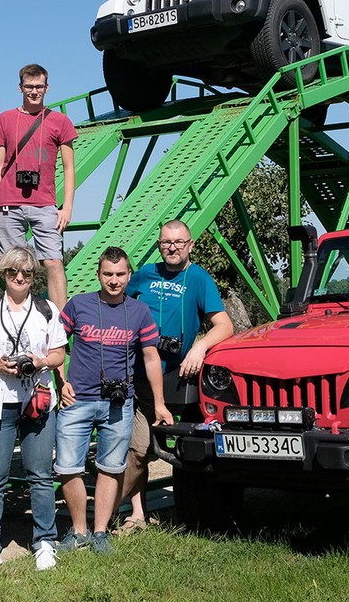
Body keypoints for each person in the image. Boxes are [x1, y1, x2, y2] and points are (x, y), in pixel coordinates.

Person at [55, 247, 172, 556]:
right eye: (108, 274)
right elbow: (54, 344)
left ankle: (100, 532)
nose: (114, 280)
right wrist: (60, 383)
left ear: (129, 275)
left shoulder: (139, 311)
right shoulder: (78, 305)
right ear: (99, 274)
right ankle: (78, 530)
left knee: (111, 467)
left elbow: (150, 357)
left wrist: (159, 403)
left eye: (120, 274)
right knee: (68, 467)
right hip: (77, 400)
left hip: (119, 404)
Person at [119, 220, 233, 531]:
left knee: (178, 448)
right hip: (136, 375)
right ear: (159, 244)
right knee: (137, 450)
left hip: (176, 378)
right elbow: (117, 299)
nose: (172, 247)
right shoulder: (144, 273)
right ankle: (137, 514)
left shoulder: (198, 279)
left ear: (190, 245)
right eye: (166, 242)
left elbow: (224, 325)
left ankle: (194, 507)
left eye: (179, 242)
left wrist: (200, 347)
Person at [0, 246, 66, 571]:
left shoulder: (47, 309)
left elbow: (58, 354)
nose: (19, 278)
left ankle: (45, 542)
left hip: (36, 400)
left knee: (40, 475)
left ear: (34, 276)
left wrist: (39, 361)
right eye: (12, 272)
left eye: (26, 273)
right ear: (4, 275)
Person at [0, 63, 77, 311]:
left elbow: (69, 168)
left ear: (47, 88)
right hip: (9, 202)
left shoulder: (60, 121)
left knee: (54, 262)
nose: (34, 91)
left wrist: (66, 207)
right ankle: (15, 316)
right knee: (13, 266)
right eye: (29, 86)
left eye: (39, 86)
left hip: (45, 203)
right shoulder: (5, 119)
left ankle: (60, 323)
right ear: (20, 87)